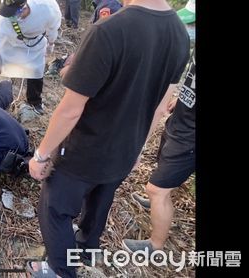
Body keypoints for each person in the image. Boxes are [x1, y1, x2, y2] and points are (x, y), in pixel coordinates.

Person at [27, 0, 190, 276]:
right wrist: (138, 148)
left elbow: (70, 109)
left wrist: (41, 154)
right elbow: (161, 107)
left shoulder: (109, 29)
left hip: (85, 149)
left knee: (55, 208)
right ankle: (87, 248)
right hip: (125, 150)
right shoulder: (180, 34)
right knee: (100, 202)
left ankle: (59, 269)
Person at [123, 0, 196, 254]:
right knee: (161, 177)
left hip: (190, 138)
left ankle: (156, 244)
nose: (190, 27)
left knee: (156, 189)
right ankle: (159, 198)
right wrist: (183, 97)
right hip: (181, 122)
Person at [0, 0, 61, 115]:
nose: (12, 16)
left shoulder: (48, 8)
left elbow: (53, 27)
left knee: (36, 70)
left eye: (14, 12)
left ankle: (35, 102)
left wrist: (51, 43)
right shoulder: (5, 18)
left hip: (34, 43)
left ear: (24, 7)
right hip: (10, 42)